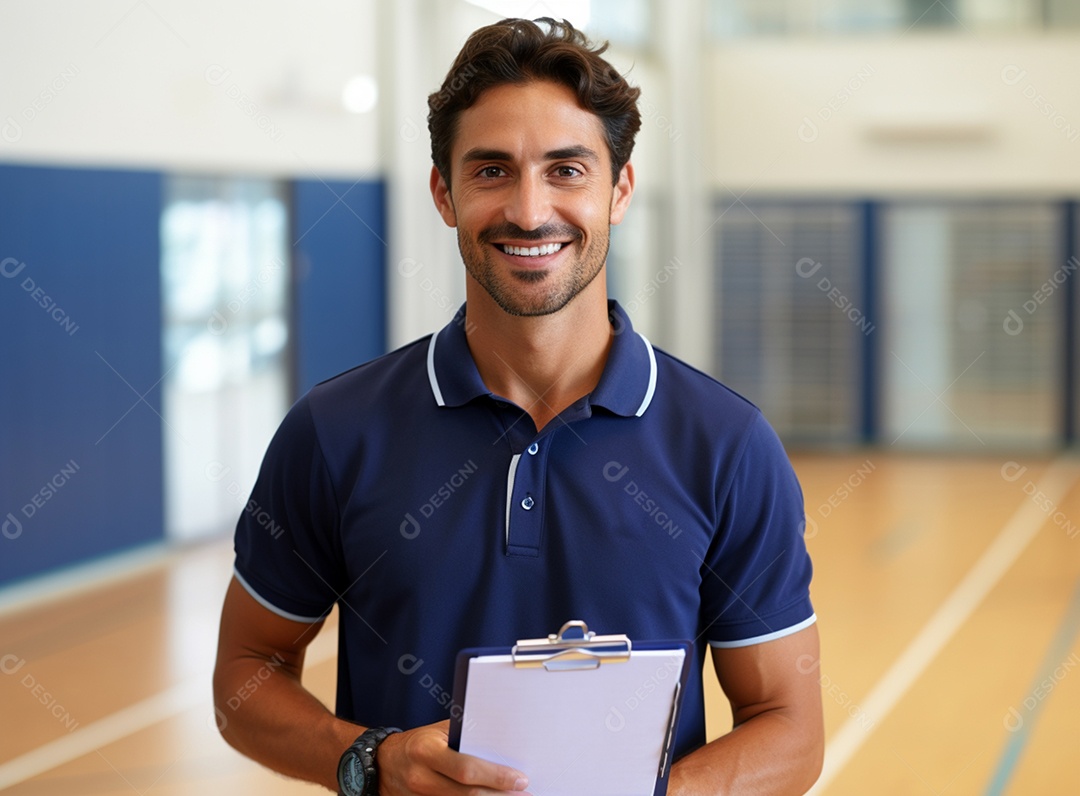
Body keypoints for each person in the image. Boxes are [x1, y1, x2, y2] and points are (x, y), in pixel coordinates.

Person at [214, 16, 823, 796]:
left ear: (620, 191)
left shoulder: (728, 444)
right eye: (492, 170)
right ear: (444, 193)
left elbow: (790, 727)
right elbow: (244, 675)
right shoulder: (334, 432)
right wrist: (371, 762)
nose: (530, 211)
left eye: (567, 170)